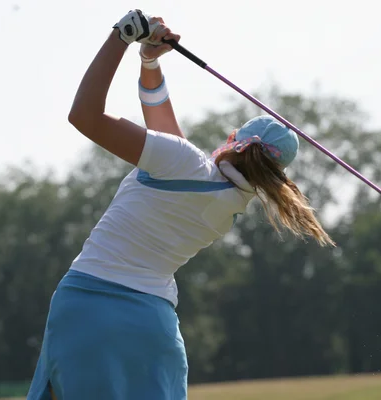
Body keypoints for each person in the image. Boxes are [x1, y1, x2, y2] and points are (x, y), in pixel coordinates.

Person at [26, 9, 335, 400]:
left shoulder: (182, 162)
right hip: (154, 327)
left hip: (90, 308)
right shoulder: (231, 201)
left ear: (232, 137)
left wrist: (121, 36)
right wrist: (149, 61)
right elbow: (164, 131)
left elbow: (84, 116)